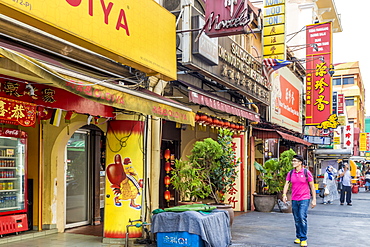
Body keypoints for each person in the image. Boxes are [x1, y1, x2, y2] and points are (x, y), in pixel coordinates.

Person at [282, 155, 316, 247]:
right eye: (292, 161)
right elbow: (286, 184)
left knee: (302, 217)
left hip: (304, 198)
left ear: (300, 162)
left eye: (295, 161)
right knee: (297, 218)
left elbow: (312, 186)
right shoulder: (291, 173)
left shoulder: (306, 172)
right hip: (294, 198)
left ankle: (303, 238)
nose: (293, 162)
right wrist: (284, 195)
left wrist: (314, 199)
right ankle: (298, 236)